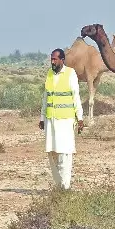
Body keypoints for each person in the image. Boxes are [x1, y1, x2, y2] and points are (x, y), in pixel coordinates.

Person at [39, 48, 84, 190]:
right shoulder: (49, 74)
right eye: (51, 59)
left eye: (55, 59)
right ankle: (59, 186)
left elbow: (76, 97)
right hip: (50, 120)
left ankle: (65, 187)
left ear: (62, 60)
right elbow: (46, 98)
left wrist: (80, 118)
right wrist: (42, 118)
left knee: (64, 153)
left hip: (65, 121)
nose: (52, 61)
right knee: (52, 152)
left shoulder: (70, 74)